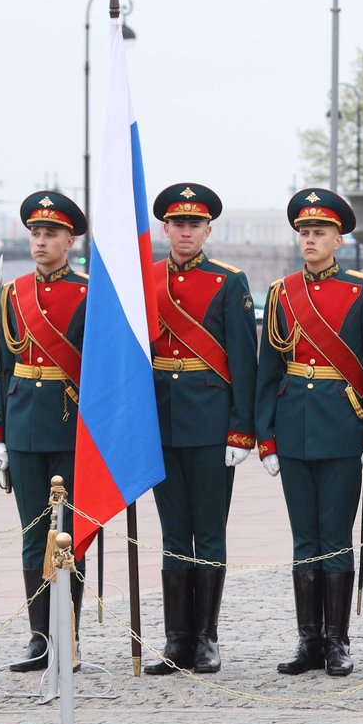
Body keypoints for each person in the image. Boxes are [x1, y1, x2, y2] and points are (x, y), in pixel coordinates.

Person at [255, 188, 363, 678]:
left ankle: (337, 641)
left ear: (339, 239)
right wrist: (266, 437)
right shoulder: (281, 292)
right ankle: (308, 640)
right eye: (305, 232)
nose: (310, 240)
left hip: (342, 428)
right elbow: (268, 371)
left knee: (335, 537)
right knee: (304, 538)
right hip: (295, 429)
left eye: (320, 232)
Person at [143, 183, 257, 676]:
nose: (185, 231)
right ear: (164, 229)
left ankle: (207, 638)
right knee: (173, 535)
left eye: (194, 224)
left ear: (208, 230)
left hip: (211, 425)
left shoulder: (229, 282)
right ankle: (176, 640)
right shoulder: (144, 279)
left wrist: (241, 431)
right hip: (159, 425)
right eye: (177, 224)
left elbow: (244, 362)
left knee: (208, 533)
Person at [0, 191, 89, 672]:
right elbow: (2, 369)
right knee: (33, 537)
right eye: (36, 233)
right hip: (25, 427)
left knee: (70, 538)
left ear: (70, 240)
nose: (42, 241)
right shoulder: (12, 294)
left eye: (51, 234)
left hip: (71, 431)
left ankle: (67, 636)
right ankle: (38, 639)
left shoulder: (91, 293)